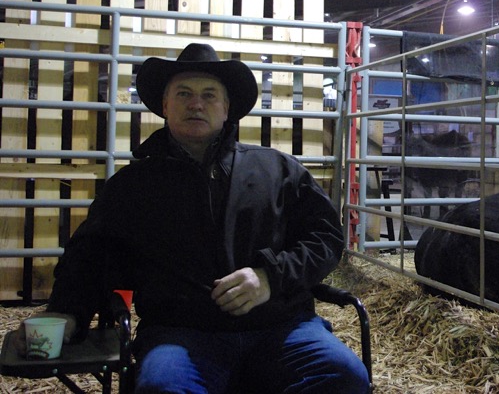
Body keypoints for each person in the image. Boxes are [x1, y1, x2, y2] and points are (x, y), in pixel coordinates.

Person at [14, 43, 370, 393]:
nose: (196, 103)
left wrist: (269, 278)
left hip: (284, 327)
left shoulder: (278, 171)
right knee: (161, 388)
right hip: (181, 334)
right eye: (183, 93)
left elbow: (325, 238)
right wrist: (66, 313)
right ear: (165, 106)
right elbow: (90, 257)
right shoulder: (132, 186)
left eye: (209, 95)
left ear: (227, 108)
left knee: (345, 376)